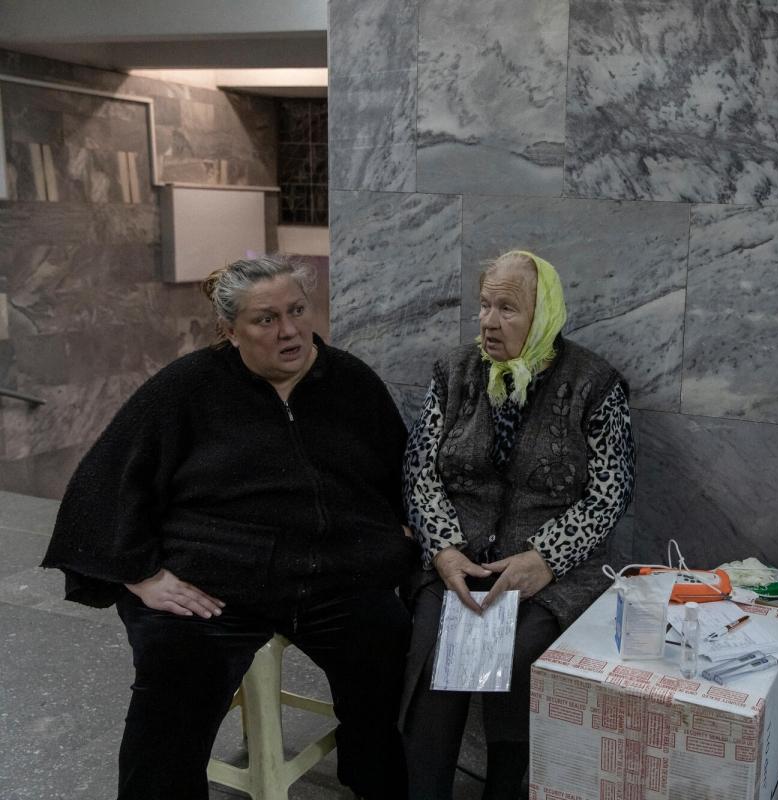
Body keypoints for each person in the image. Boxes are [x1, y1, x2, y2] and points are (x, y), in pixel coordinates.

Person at [41, 256, 417, 800]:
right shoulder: (186, 388)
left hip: (335, 572)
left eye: (296, 311)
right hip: (215, 583)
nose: (289, 331)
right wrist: (141, 575)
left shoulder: (350, 381)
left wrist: (398, 527)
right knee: (170, 692)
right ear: (229, 330)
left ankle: (375, 782)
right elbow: (106, 480)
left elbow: (397, 468)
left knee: (389, 654)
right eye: (265, 319)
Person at [402, 250, 635, 799]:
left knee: (520, 653)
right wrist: (443, 549)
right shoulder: (454, 374)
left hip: (551, 573)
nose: (488, 321)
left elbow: (610, 494)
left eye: (507, 308)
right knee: (437, 645)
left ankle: (505, 789)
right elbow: (419, 473)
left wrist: (545, 559)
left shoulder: (594, 384)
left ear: (544, 313)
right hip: (458, 561)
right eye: (484, 305)